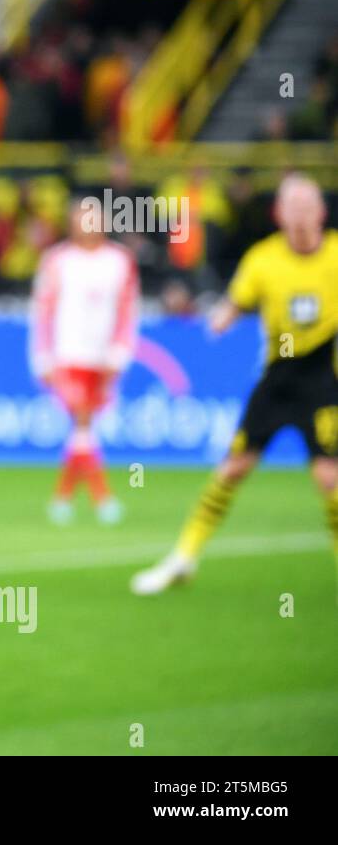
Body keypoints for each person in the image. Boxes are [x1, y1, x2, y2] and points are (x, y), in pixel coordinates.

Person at [133, 175, 338, 595]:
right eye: (291, 206)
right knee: (232, 468)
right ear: (278, 214)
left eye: (307, 205)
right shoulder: (263, 260)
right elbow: (233, 305)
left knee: (329, 478)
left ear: (322, 211)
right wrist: (214, 317)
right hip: (278, 380)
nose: (300, 214)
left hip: (323, 381)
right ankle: (183, 557)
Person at [30, 197, 138, 525]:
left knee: (84, 428)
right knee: (82, 421)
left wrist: (120, 353)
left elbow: (128, 310)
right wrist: (42, 357)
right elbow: (42, 310)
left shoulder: (120, 260)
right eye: (81, 218)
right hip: (67, 354)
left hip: (102, 357)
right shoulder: (57, 260)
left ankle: (63, 497)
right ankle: (102, 497)